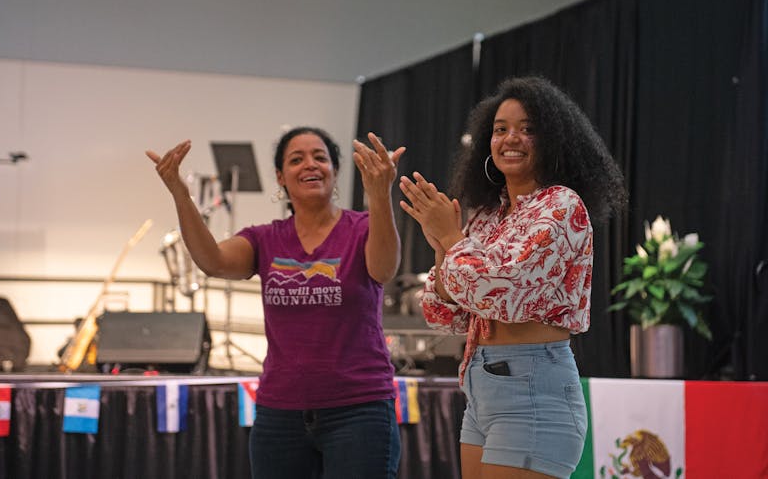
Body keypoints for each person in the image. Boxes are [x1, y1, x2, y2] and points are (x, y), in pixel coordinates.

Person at [399, 76, 627, 479]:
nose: (511, 139)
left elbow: (504, 293)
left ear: (554, 139)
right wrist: (441, 244)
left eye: (528, 129)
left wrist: (452, 239)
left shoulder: (561, 206)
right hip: (481, 386)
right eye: (500, 129)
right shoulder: (489, 214)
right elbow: (446, 316)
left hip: (533, 389)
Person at [147, 127, 405, 479]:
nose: (309, 165)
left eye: (320, 157)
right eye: (296, 159)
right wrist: (181, 195)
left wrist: (379, 195)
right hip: (280, 414)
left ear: (335, 170)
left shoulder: (363, 228)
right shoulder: (265, 238)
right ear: (281, 177)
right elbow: (213, 261)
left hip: (358, 410)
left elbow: (384, 268)